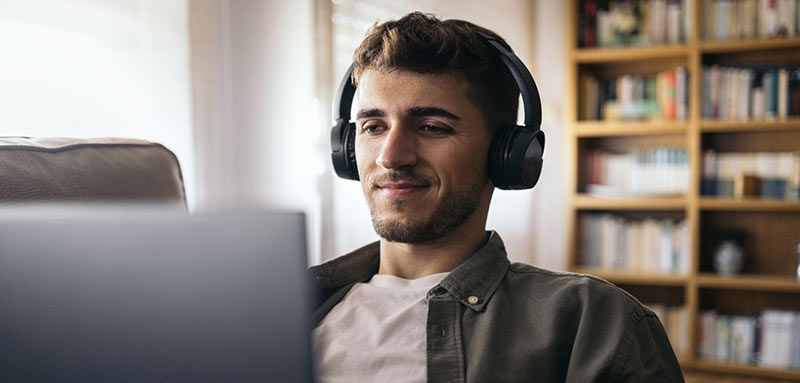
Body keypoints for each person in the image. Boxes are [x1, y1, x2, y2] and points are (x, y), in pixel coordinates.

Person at [311, 11, 684, 383]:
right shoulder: (284, 307)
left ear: (506, 154)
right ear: (345, 148)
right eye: (373, 127)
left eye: (431, 127)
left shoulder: (592, 323)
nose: (390, 156)